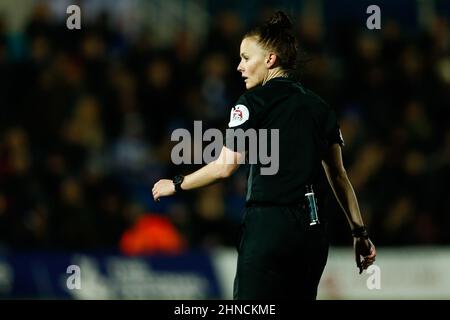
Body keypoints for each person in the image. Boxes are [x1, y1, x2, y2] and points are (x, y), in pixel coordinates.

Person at [152, 11, 376, 300]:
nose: (239, 66)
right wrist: (360, 233)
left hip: (269, 227)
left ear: (270, 59)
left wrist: (177, 183)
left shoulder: (251, 102)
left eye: (246, 58)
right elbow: (339, 176)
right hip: (313, 231)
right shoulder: (321, 108)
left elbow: (224, 167)